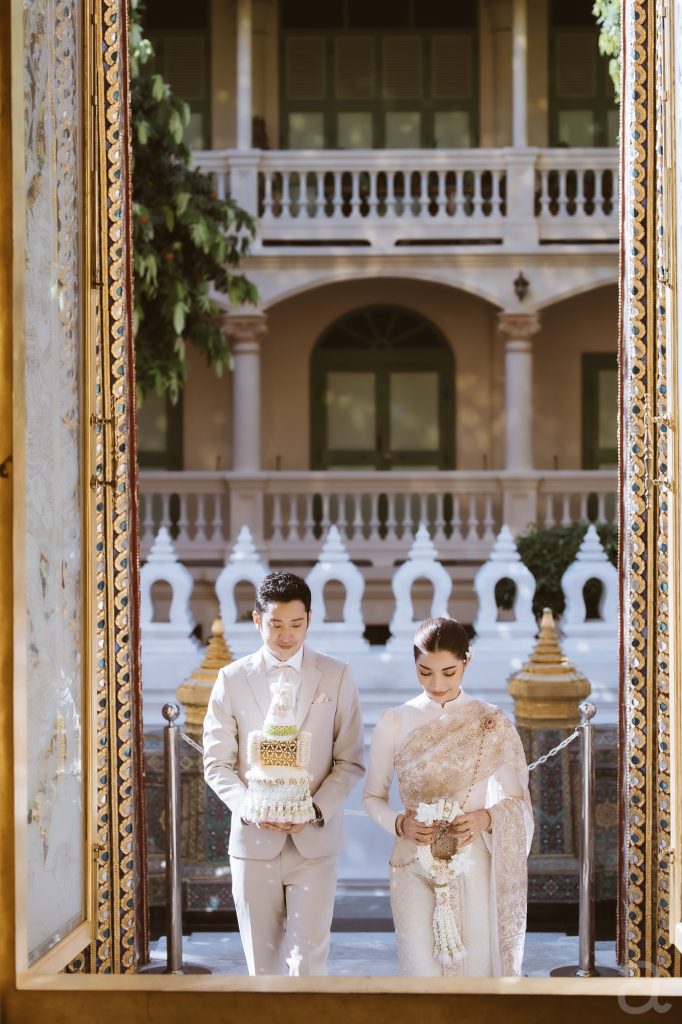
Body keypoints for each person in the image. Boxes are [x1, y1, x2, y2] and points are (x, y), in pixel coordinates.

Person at [203, 571, 365, 976]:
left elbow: (350, 760)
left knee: (309, 965)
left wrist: (315, 808)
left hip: (315, 842)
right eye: (276, 625)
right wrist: (251, 807)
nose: (287, 635)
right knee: (263, 968)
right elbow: (216, 763)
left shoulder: (337, 674)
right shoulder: (231, 678)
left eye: (296, 624)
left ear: (309, 619)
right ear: (258, 620)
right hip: (253, 841)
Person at [363, 616, 533, 977]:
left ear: (467, 662)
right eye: (425, 672)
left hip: (472, 861)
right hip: (412, 860)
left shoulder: (491, 723)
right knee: (420, 971)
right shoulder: (394, 720)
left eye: (449, 672)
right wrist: (400, 823)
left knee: (475, 970)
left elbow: (517, 801)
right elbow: (372, 797)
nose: (437, 684)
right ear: (414, 663)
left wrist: (486, 818)